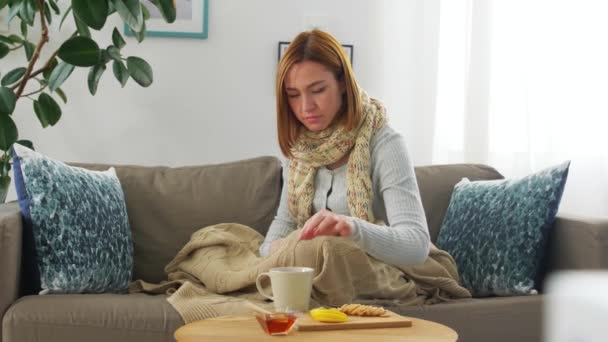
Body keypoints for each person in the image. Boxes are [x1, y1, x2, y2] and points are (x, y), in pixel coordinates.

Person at [259, 29, 430, 271]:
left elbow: (417, 244)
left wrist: (351, 228)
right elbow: (280, 229)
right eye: (293, 95)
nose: (306, 107)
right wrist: (282, 249)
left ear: (342, 83)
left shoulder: (385, 144)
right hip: (314, 270)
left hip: (371, 272)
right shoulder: (301, 149)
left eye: (318, 90)